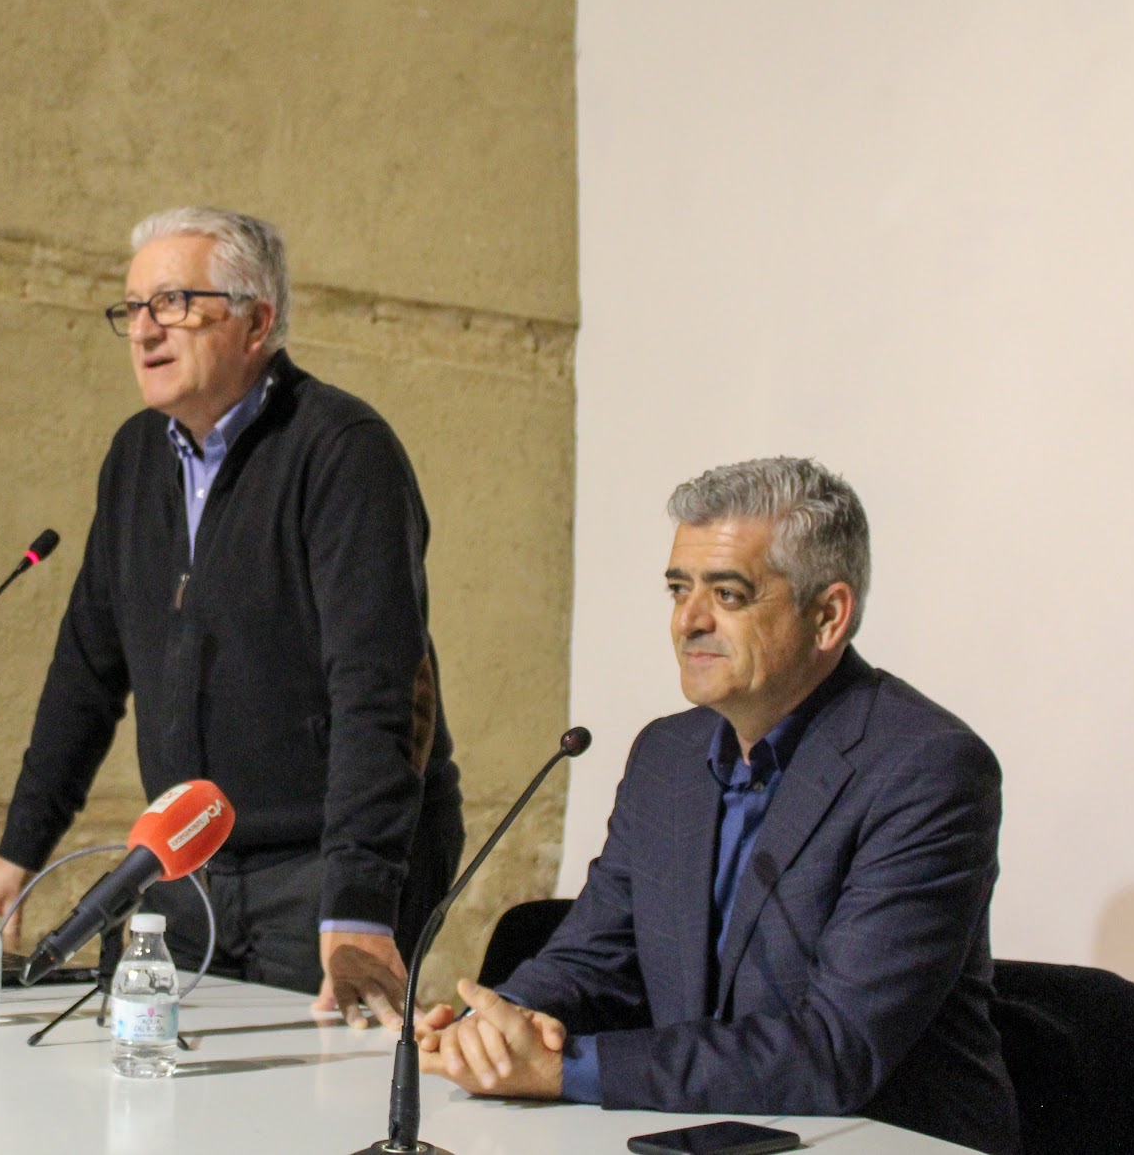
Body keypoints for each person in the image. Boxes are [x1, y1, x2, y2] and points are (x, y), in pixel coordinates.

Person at [419, 457, 1020, 1155]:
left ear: (827, 615)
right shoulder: (667, 757)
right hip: (699, 1132)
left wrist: (563, 1069)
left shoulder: (924, 767)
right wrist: (496, 1024)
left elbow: (834, 1049)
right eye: (678, 590)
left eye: (727, 595)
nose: (687, 621)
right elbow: (595, 956)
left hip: (879, 1138)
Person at [0, 207, 463, 1029]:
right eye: (131, 308)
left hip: (318, 865)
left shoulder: (341, 449)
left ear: (256, 321)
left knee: (300, 1103)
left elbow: (380, 691)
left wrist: (356, 905)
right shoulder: (136, 457)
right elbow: (85, 674)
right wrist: (17, 851)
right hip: (180, 861)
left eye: (172, 302)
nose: (143, 331)